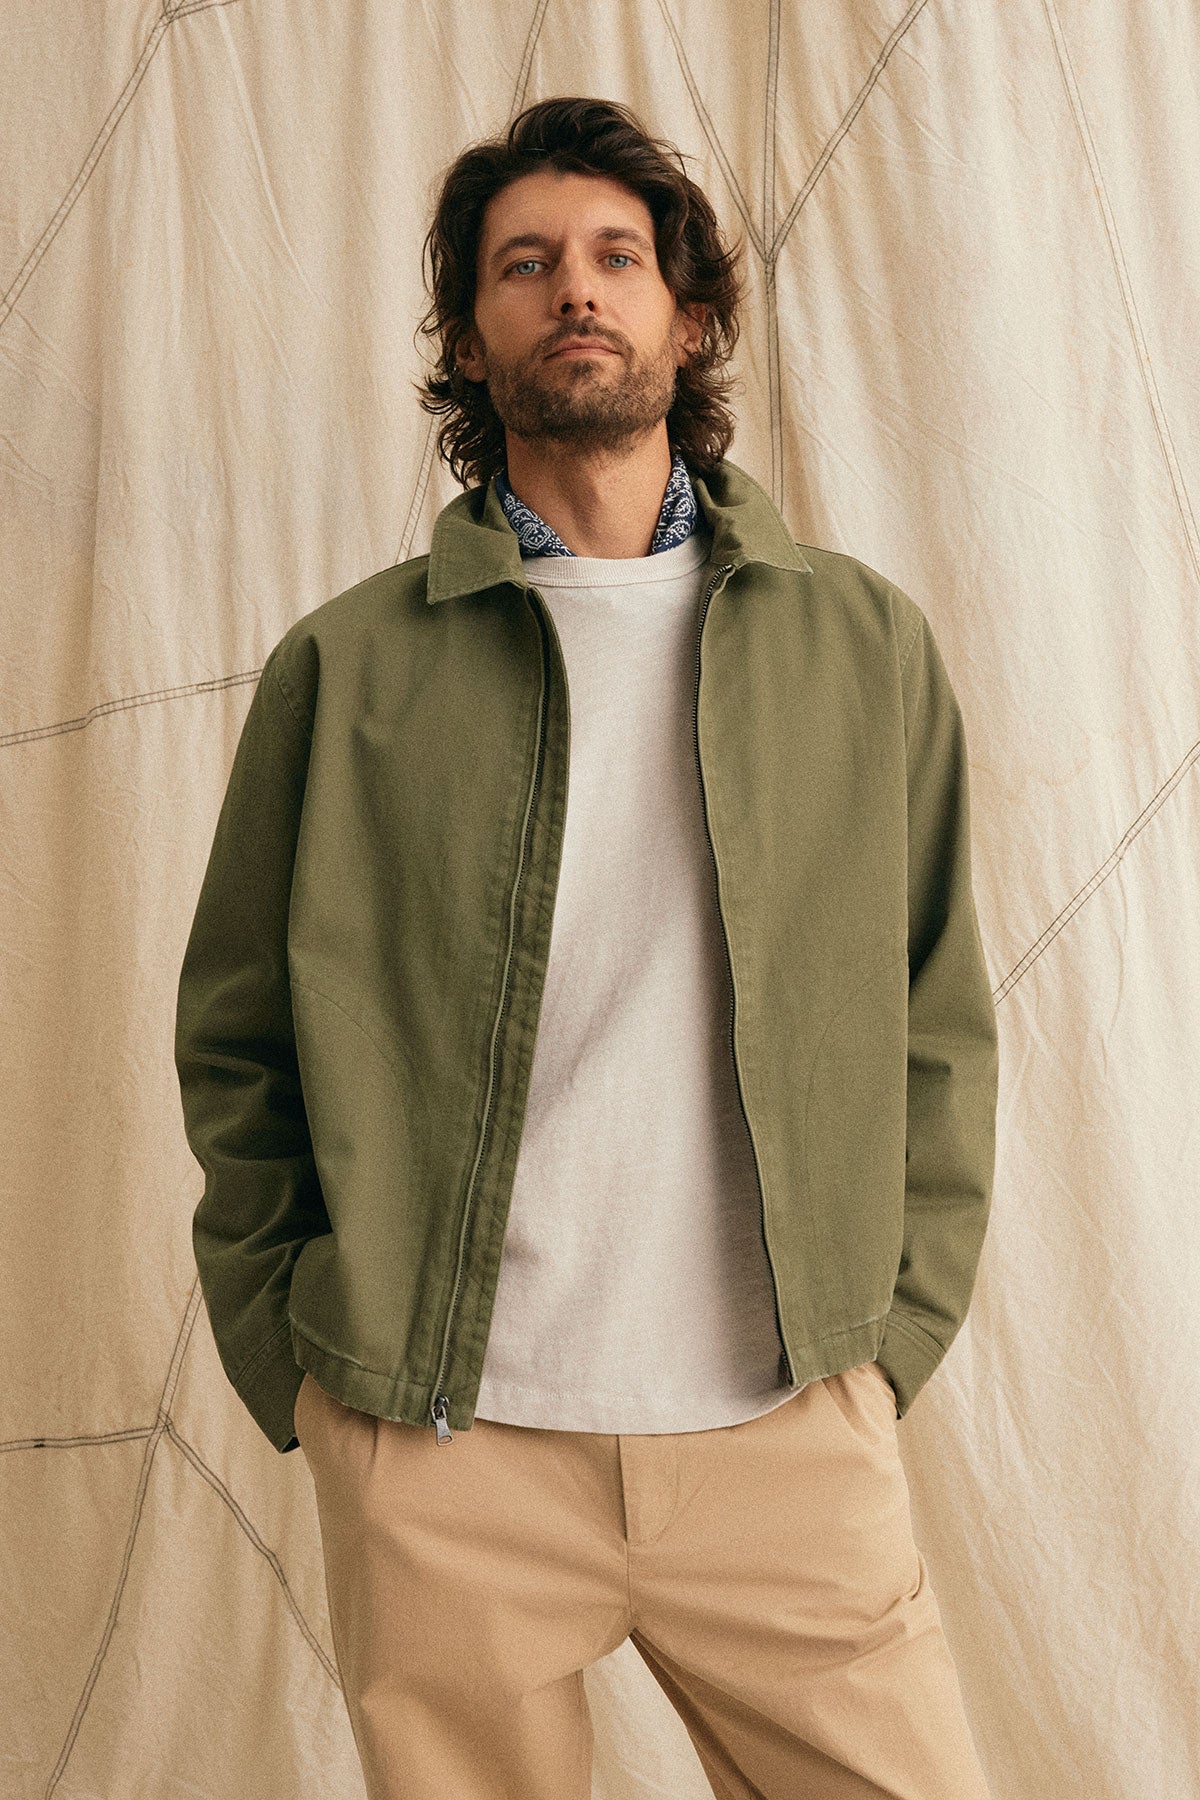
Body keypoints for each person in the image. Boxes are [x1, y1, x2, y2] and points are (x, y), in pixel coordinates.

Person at [175, 94, 999, 1800]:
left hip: (785, 1428)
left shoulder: (861, 645)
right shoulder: (346, 674)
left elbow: (937, 1018)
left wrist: (887, 1334)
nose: (577, 291)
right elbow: (237, 1036)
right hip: (448, 1442)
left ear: (687, 317)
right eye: (526, 265)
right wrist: (307, 1368)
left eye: (619, 258)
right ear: (470, 341)